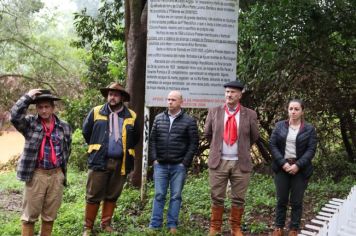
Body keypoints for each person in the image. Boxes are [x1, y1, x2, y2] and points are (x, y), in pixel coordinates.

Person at [10, 89, 72, 236]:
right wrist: (28, 96)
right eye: (40, 107)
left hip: (56, 175)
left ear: (52, 107)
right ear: (36, 108)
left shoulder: (64, 127)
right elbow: (14, 115)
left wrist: (61, 174)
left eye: (47, 107)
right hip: (37, 174)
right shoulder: (30, 124)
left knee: (50, 216)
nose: (44, 110)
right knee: (29, 217)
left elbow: (67, 150)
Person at [82, 82, 140, 235]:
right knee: (93, 194)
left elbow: (135, 137)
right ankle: (87, 227)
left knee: (113, 194)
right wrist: (99, 146)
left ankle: (106, 224)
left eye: (115, 94)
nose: (112, 97)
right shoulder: (96, 112)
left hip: (120, 162)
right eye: (110, 94)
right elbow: (86, 132)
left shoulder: (131, 115)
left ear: (121, 97)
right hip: (99, 160)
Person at [204, 80, 259, 236]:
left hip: (240, 162)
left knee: (239, 198)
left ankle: (235, 228)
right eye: (227, 92)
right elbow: (208, 134)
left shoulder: (250, 114)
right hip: (218, 161)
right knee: (216, 196)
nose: (229, 94)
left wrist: (241, 148)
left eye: (233, 92)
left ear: (240, 95)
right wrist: (217, 147)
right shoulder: (214, 112)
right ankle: (215, 227)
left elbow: (255, 136)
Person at [148, 90, 199, 234]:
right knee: (159, 194)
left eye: (173, 100)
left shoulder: (189, 121)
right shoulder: (159, 118)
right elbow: (152, 140)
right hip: (161, 165)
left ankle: (172, 225)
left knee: (176, 196)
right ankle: (155, 225)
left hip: (178, 166)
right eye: (168, 99)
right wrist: (155, 160)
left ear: (181, 102)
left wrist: (185, 162)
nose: (170, 102)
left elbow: (193, 143)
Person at [270, 99, 317, 236]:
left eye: (296, 109)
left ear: (302, 111)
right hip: (282, 167)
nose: (293, 112)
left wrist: (297, 165)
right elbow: (272, 145)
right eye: (291, 109)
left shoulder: (309, 129)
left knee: (296, 201)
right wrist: (283, 163)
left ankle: (293, 229)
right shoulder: (279, 126)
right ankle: (279, 227)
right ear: (287, 110)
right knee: (281, 200)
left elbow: (311, 150)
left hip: (300, 170)